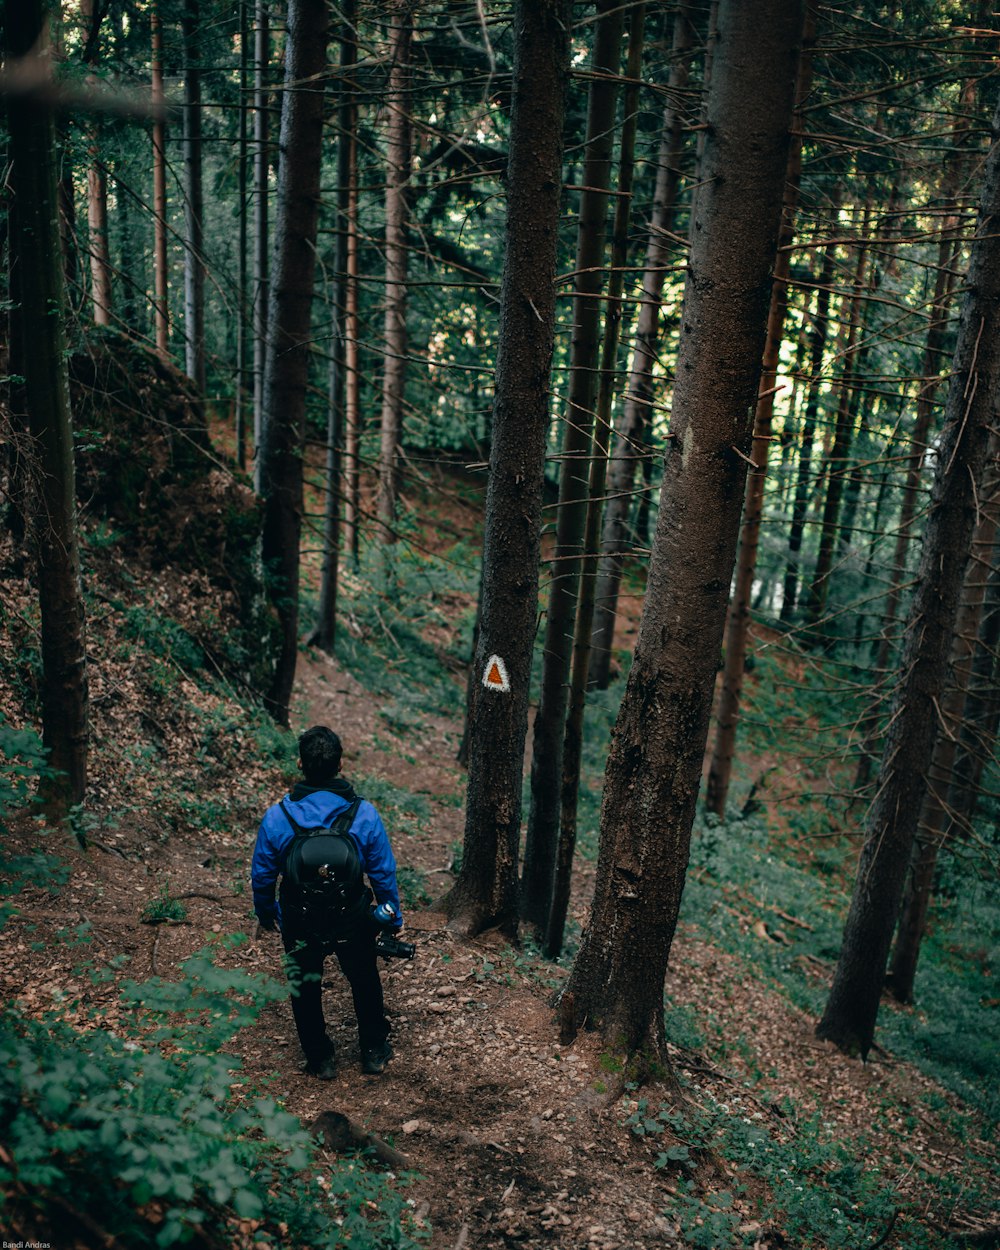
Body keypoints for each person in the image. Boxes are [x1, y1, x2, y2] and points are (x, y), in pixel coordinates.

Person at [251, 725, 403, 1078]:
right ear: (340, 766)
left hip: (299, 917)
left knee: (304, 984)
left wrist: (265, 912)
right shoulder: (363, 814)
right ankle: (373, 1051)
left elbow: (262, 874)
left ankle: (320, 1058)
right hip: (352, 916)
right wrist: (391, 918)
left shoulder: (279, 817)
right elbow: (383, 873)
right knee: (364, 979)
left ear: (300, 764)